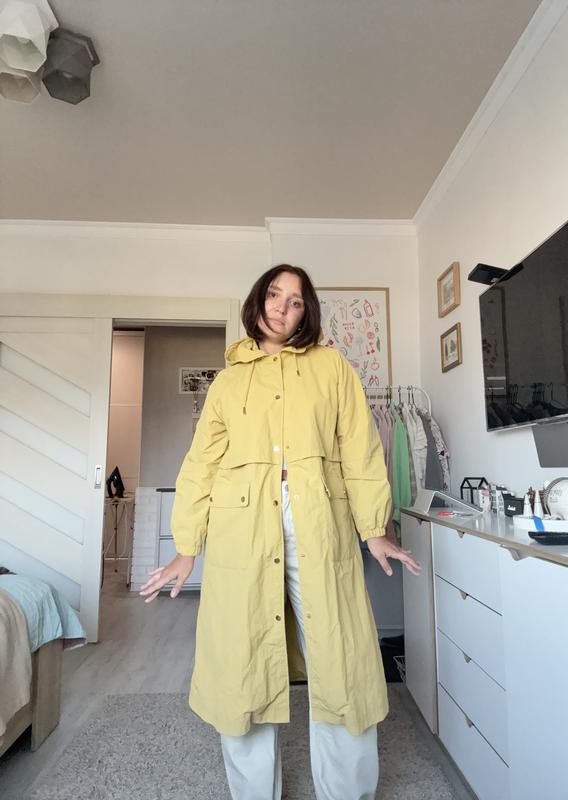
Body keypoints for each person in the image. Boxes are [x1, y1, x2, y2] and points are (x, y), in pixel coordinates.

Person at [139, 265, 421, 800]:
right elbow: (201, 464)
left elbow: (361, 451)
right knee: (243, 660)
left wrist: (374, 528)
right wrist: (185, 547)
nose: (282, 308)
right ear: (258, 300)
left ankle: (347, 793)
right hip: (242, 530)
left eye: (295, 301)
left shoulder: (332, 368)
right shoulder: (228, 381)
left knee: (340, 658)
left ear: (305, 313)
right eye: (274, 295)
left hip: (319, 524)